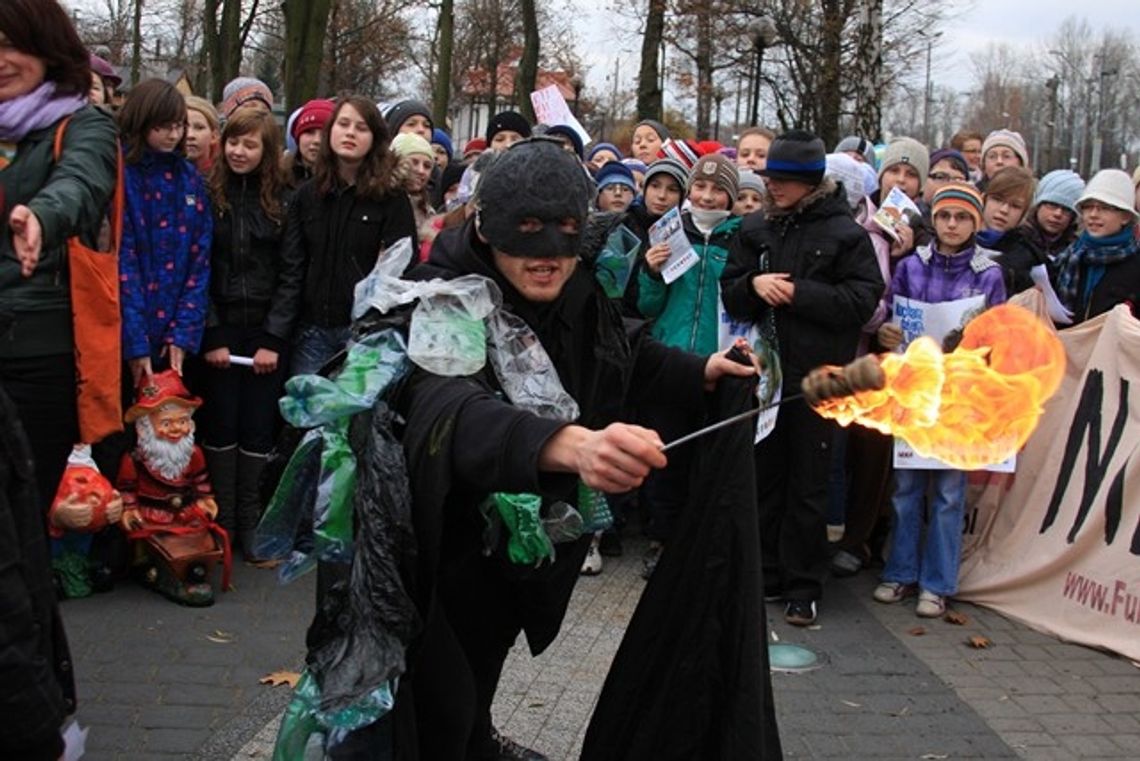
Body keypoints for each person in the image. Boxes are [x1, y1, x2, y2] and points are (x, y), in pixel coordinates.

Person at [302, 137, 755, 760]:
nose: (546, 259)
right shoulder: (437, 296)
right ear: (488, 227)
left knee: (479, 677)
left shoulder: (574, 286)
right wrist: (565, 444)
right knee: (434, 703)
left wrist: (699, 370)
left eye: (564, 233)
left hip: (511, 553)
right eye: (526, 234)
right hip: (431, 551)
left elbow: (614, 347)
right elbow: (445, 408)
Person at [721, 129, 883, 626]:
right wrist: (753, 283)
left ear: (812, 183)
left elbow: (862, 301)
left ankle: (804, 585)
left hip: (822, 379)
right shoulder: (755, 228)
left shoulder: (846, 234)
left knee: (810, 483)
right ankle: (766, 573)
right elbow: (731, 289)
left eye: (785, 182)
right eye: (771, 179)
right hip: (765, 377)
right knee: (765, 477)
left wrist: (799, 294)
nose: (774, 188)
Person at [0, 0, 120, 513]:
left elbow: (81, 183)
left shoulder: (83, 125)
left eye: (10, 44)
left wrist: (42, 217)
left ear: (47, 49)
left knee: (18, 518)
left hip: (34, 351)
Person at [872, 182, 1005, 617]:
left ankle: (937, 584)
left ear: (976, 223)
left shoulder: (989, 273)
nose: (952, 224)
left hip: (959, 397)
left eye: (963, 217)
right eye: (945, 215)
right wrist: (886, 331)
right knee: (906, 488)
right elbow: (890, 313)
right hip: (914, 391)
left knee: (949, 493)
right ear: (934, 219)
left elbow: (999, 336)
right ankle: (900, 573)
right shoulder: (911, 265)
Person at [199, 109, 302, 558]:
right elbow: (197, 267)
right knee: (221, 422)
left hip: (265, 332)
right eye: (233, 142)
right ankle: (222, 519)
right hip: (221, 329)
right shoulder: (208, 194)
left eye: (250, 145)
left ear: (267, 151)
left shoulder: (283, 201)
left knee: (258, 426)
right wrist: (212, 332)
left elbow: (291, 273)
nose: (239, 152)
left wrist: (273, 339)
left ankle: (250, 520)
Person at [636, 153, 741, 577]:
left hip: (718, 361)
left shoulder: (741, 241)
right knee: (667, 456)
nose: (707, 196)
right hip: (672, 360)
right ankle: (663, 539)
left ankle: (702, 544)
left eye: (718, 190)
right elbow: (647, 306)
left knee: (709, 458)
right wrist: (649, 271)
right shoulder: (668, 234)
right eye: (700, 187)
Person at [286, 95, 416, 376]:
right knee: (308, 416)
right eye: (343, 124)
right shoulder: (307, 196)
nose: (350, 133)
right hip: (311, 330)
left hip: (366, 333)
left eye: (361, 128)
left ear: (374, 137)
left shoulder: (390, 198)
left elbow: (403, 266)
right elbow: (292, 265)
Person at [118, 78, 213, 383]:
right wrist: (134, 340)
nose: (174, 135)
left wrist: (184, 331)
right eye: (164, 126)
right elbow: (124, 260)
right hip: (126, 327)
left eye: (178, 126)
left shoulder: (190, 179)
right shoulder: (120, 174)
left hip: (176, 330)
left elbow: (199, 259)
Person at [116, 369, 229, 605]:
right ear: (145, 427)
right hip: (152, 515)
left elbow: (201, 480)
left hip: (185, 515)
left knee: (201, 545)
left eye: (183, 421)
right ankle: (155, 568)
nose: (176, 429)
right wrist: (129, 508)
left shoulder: (193, 454)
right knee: (160, 547)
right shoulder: (135, 459)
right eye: (166, 423)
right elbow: (126, 488)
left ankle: (192, 572)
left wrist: (204, 499)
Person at [1052, 169, 1140, 323]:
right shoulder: (1069, 255)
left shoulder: (1135, 264)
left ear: (1125, 216)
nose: (1093, 214)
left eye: (1104, 208)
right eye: (1088, 207)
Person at [977, 166, 1040, 294]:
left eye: (1015, 206)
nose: (1004, 210)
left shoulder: (1027, 259)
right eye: (997, 199)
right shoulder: (958, 241)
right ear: (984, 199)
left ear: (1023, 215)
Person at [389, 132, 438, 256]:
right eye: (414, 162)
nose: (421, 171)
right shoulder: (380, 200)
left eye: (427, 166)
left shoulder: (428, 210)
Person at [1022, 169, 1085, 263]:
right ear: (1038, 205)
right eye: (1052, 205)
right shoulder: (1017, 240)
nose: (1058, 214)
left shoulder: (1077, 251)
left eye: (1066, 209)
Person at [284, 98, 335, 187]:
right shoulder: (275, 180)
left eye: (324, 134)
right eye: (309, 132)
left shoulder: (346, 183)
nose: (317, 140)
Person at [184, 95, 221, 176]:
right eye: (184, 127)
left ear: (214, 136)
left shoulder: (224, 177)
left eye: (199, 128)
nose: (190, 135)